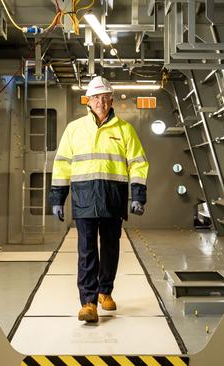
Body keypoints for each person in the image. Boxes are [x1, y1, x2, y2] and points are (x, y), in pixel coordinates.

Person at [49, 76, 149, 323]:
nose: (101, 103)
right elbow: (61, 165)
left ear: (111, 100)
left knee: (111, 249)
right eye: (96, 98)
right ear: (88, 101)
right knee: (87, 251)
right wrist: (57, 198)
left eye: (105, 98)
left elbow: (138, 163)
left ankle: (105, 292)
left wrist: (137, 196)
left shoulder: (125, 130)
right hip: (84, 199)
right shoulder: (74, 129)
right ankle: (88, 302)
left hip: (113, 199)